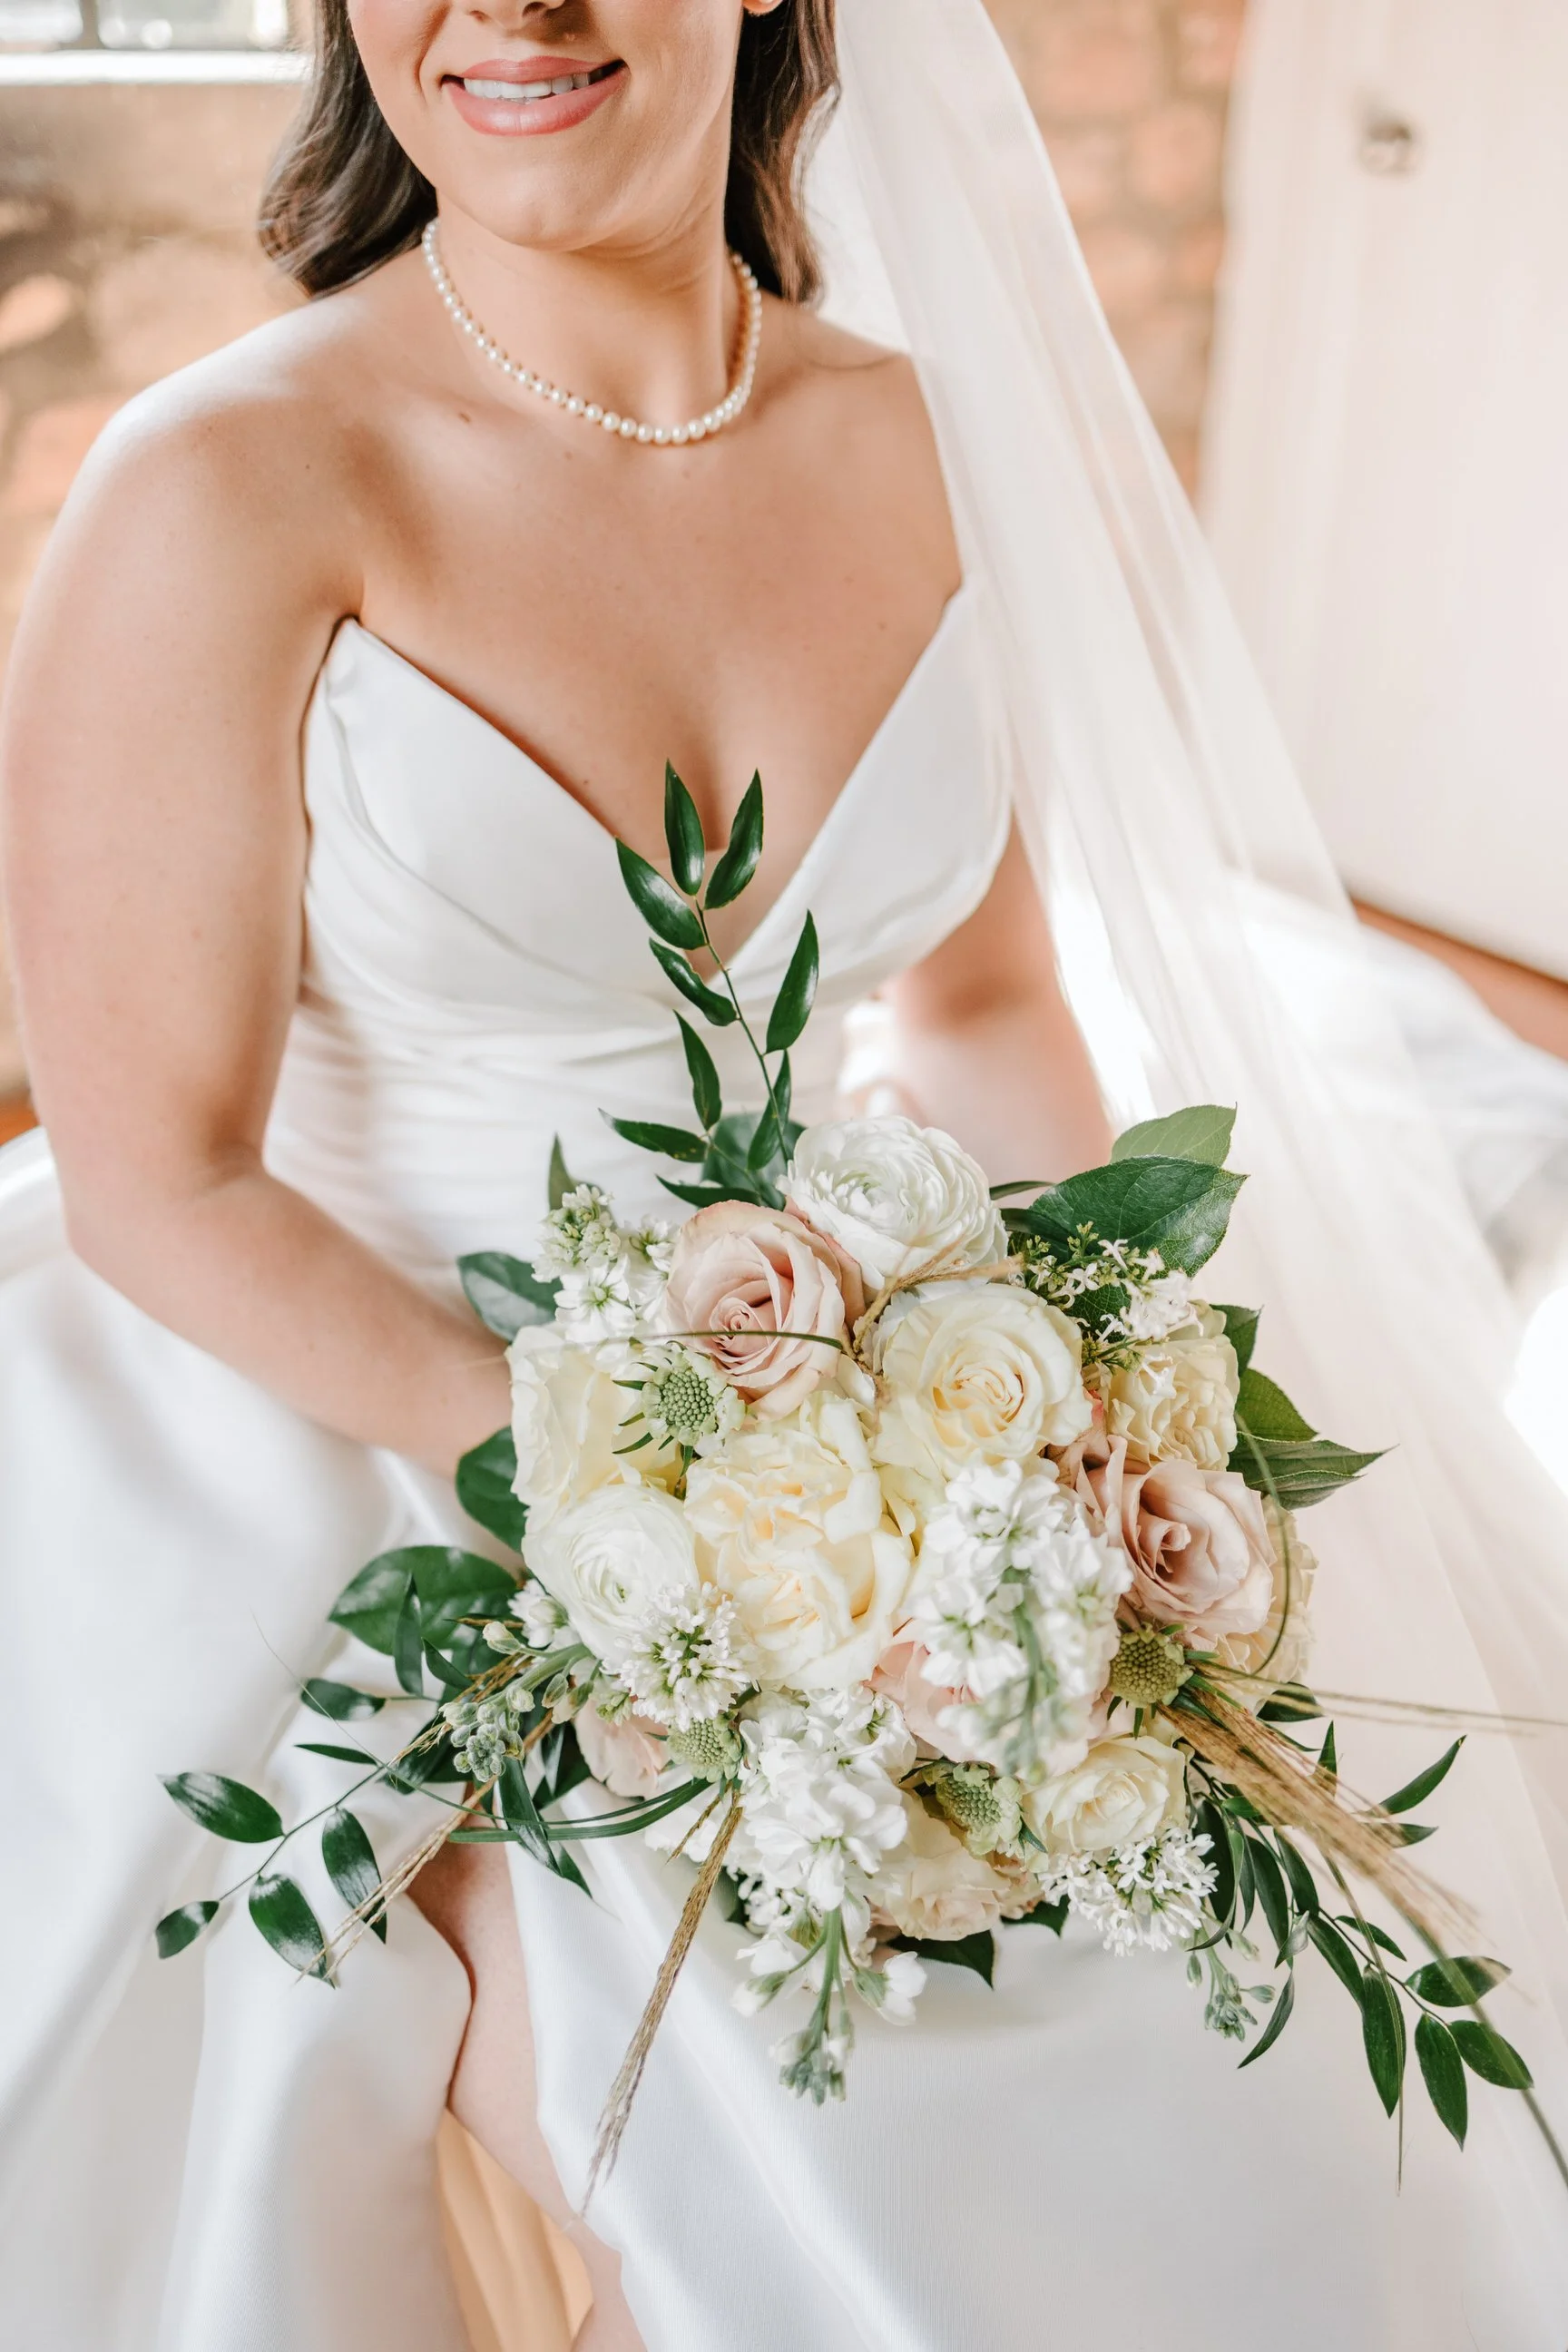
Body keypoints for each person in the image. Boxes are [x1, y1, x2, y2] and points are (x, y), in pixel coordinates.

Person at [1, 3, 1565, 2347]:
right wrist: (656, 1525)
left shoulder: (923, 438)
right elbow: (158, 1176)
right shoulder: (223, 481)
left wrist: (1116, 1413)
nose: (507, 10)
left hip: (828, 1385)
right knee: (831, 2146)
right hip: (331, 1396)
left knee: (1308, 2021)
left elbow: (984, 1015)